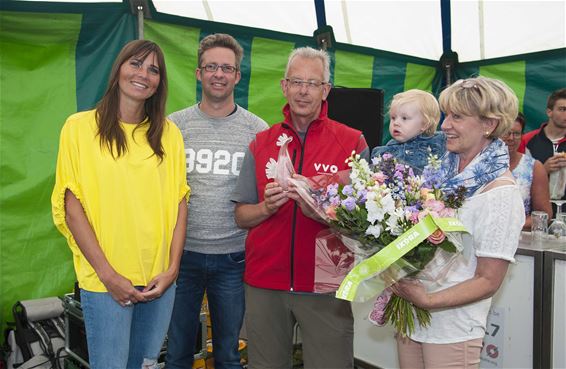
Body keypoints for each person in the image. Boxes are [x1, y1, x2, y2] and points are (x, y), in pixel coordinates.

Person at [51, 40, 189, 369]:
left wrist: (172, 270)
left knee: (145, 365)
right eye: (136, 64)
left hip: (158, 281)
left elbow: (181, 202)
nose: (143, 74)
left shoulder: (169, 134)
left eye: (153, 69)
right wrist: (109, 275)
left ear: (160, 82)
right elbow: (72, 208)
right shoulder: (79, 127)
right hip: (105, 282)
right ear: (118, 69)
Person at [231, 46, 369, 369]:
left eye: (313, 83)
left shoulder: (352, 143)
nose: (303, 91)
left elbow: (366, 224)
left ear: (326, 91)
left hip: (327, 285)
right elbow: (240, 215)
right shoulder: (261, 143)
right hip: (265, 282)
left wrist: (323, 213)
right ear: (284, 87)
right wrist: (266, 208)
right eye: (296, 82)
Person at [390, 77, 525, 369]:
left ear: (488, 124)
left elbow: (488, 280)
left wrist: (428, 300)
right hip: (412, 314)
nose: (444, 125)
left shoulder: (500, 192)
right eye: (446, 114)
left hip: (452, 328)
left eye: (457, 117)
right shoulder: (441, 170)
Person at [165, 34, 268, 369]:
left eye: (227, 68)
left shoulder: (257, 131)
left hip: (233, 258)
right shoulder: (173, 127)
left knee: (227, 352)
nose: (219, 74)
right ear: (199, 73)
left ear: (238, 75)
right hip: (181, 258)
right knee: (179, 350)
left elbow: (264, 197)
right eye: (211, 67)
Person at [371, 89, 445, 171]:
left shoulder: (439, 144)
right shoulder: (387, 151)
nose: (396, 123)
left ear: (424, 124)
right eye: (393, 118)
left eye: (404, 118)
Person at [502, 113, 552, 230]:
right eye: (506, 132)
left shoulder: (534, 167)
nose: (511, 138)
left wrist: (510, 227)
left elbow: (544, 215)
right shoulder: (479, 163)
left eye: (516, 134)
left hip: (518, 239)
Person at [520, 88, 566, 207]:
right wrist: (542, 171)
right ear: (549, 112)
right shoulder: (526, 140)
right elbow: (516, 179)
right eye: (563, 109)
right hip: (536, 211)